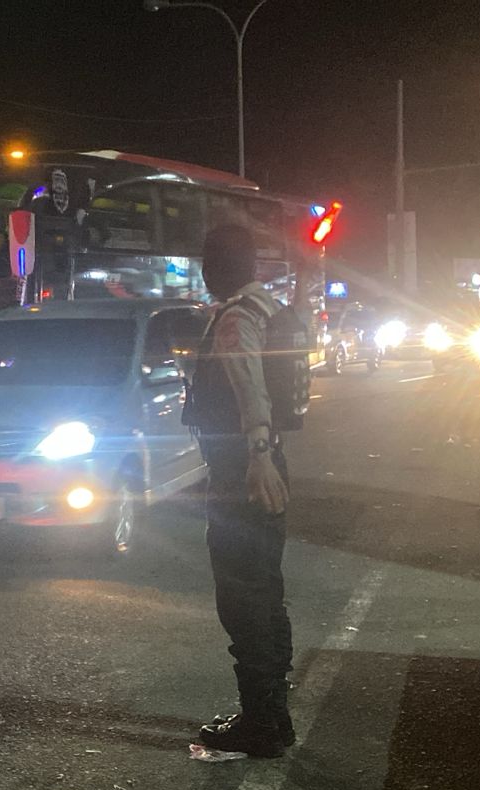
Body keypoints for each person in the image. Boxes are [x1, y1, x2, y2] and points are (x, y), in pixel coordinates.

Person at [192, 224, 295, 759]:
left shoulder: (237, 318)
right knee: (265, 591)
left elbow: (252, 389)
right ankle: (274, 717)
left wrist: (256, 456)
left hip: (242, 471)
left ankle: (260, 724)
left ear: (213, 267)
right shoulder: (271, 309)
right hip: (264, 461)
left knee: (242, 598)